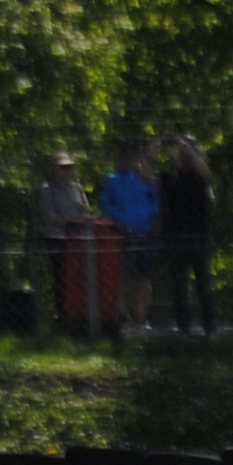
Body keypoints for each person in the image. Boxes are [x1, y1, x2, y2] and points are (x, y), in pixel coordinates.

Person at [154, 136, 217, 336]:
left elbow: (206, 174)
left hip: (199, 236)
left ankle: (210, 328)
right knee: (179, 286)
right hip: (175, 237)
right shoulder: (170, 176)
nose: (181, 153)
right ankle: (184, 329)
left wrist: (192, 150)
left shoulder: (200, 176)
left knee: (203, 284)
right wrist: (151, 154)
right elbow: (146, 177)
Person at [95, 143, 159, 338]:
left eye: (133, 156)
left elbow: (156, 203)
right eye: (127, 156)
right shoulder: (113, 180)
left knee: (144, 277)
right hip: (124, 233)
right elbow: (105, 204)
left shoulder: (147, 179)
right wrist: (119, 219)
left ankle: (142, 317)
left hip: (146, 232)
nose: (130, 160)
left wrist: (146, 215)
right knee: (125, 276)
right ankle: (122, 315)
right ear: (121, 158)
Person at [33, 152, 98, 333]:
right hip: (57, 239)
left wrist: (81, 222)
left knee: (80, 277)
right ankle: (63, 315)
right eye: (62, 167)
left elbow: (86, 212)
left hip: (78, 239)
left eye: (68, 167)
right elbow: (49, 216)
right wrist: (70, 221)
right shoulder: (46, 190)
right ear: (52, 169)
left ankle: (80, 313)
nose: (65, 171)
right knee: (62, 276)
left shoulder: (76, 188)